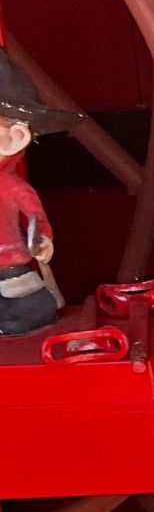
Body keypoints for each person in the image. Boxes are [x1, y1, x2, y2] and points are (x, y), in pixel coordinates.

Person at [0, 49, 83, 337]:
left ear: (15, 138)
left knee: (22, 307)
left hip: (10, 270)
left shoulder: (13, 188)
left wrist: (43, 241)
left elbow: (36, 221)